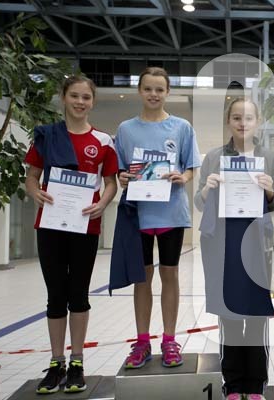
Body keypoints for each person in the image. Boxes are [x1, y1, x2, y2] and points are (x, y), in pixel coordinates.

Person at [25, 75, 118, 394]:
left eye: (86, 97)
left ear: (93, 101)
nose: (80, 102)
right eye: (75, 96)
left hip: (85, 226)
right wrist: (35, 192)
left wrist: (102, 204)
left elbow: (110, 182)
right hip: (50, 225)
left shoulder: (103, 141)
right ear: (64, 97)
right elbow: (32, 176)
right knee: (55, 295)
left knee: (78, 294)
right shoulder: (47, 136)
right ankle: (56, 363)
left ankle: (77, 361)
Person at [114, 67, 201, 369]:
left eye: (159, 89)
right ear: (140, 91)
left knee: (170, 275)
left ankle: (169, 340)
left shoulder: (181, 127)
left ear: (167, 92)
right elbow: (120, 169)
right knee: (142, 279)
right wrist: (122, 177)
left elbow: (191, 166)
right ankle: (142, 342)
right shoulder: (126, 129)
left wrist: (183, 177)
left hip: (170, 213)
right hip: (139, 213)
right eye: (148, 89)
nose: (154, 94)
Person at [195, 97, 274, 400]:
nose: (243, 123)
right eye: (237, 118)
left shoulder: (268, 157)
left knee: (256, 316)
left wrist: (270, 191)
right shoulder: (214, 157)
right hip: (224, 245)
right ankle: (232, 384)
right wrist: (208, 188)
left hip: (256, 245)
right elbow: (199, 202)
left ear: (258, 122)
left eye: (249, 118)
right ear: (228, 122)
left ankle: (255, 385)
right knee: (228, 315)